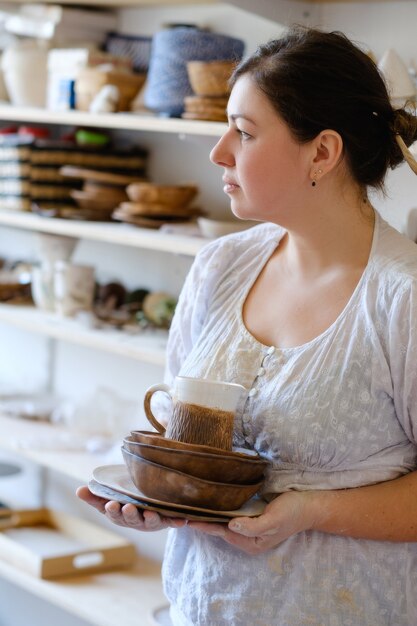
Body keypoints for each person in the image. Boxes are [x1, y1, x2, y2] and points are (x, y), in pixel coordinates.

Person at [77, 26, 417, 626]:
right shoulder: (220, 267)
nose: (219, 152)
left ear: (322, 153)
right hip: (200, 608)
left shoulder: (402, 298)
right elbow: (186, 444)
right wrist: (158, 492)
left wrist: (310, 511)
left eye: (244, 130)